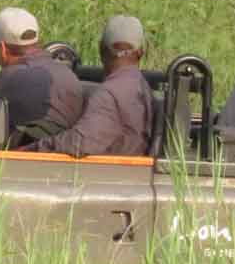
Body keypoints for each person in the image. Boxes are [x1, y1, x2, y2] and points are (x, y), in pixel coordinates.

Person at [27, 15, 154, 157]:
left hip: (108, 172)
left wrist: (33, 148)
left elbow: (80, 143)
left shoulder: (109, 94)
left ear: (101, 49)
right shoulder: (142, 86)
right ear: (141, 52)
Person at [0, 7, 83, 143]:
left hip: (26, 157)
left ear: (3, 48)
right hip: (62, 154)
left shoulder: (8, 78)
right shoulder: (67, 74)